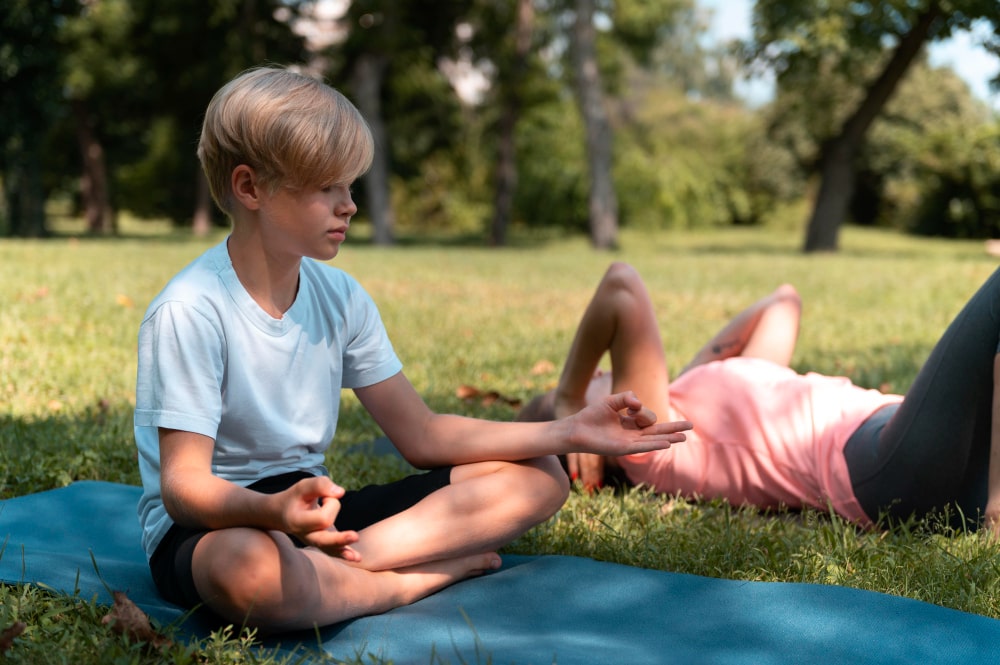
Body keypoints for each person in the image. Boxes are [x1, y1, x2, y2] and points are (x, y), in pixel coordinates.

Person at [133, 67, 691, 633]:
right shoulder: (191, 309)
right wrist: (270, 512)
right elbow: (185, 490)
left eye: (349, 186)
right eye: (327, 187)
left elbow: (422, 436)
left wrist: (568, 431)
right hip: (215, 528)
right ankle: (406, 581)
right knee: (248, 572)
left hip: (315, 512)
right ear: (250, 188)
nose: (349, 205)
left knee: (542, 476)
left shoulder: (342, 298)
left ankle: (341, 568)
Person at [518, 261, 1000, 536]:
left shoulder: (697, 391)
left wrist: (703, 364)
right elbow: (621, 287)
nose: (600, 369)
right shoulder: (653, 441)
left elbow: (783, 301)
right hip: (889, 466)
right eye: (594, 381)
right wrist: (566, 399)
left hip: (930, 449)